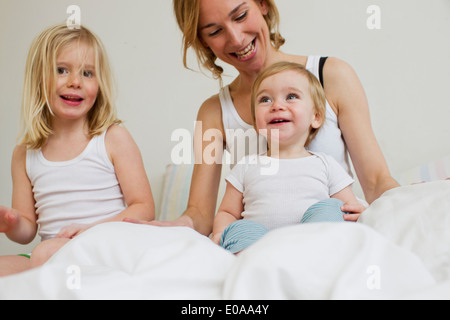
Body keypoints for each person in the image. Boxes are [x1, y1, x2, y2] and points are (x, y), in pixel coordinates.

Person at [130, 0, 399, 236]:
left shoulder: (332, 75)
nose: (236, 39)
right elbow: (200, 214)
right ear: (204, 41)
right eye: (215, 31)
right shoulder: (213, 113)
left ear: (262, 4)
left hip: (328, 239)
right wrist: (177, 226)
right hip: (261, 247)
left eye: (240, 15)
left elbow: (376, 182)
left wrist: (417, 197)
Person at [0, 23, 155, 277]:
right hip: (50, 254)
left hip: (104, 247)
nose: (75, 82)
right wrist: (12, 223)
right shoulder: (24, 153)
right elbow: (27, 231)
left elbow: (144, 208)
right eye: (61, 70)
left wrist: (89, 230)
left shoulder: (112, 138)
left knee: (44, 256)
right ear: (39, 79)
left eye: (87, 73)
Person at [211, 62, 365, 253]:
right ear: (257, 123)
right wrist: (220, 232)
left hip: (312, 245)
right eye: (265, 99)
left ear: (315, 117)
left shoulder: (325, 164)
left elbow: (347, 207)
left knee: (333, 208)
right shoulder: (246, 166)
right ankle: (261, 270)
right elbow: (227, 212)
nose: (276, 106)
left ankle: (312, 262)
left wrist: (361, 214)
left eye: (291, 96)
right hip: (259, 249)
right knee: (239, 229)